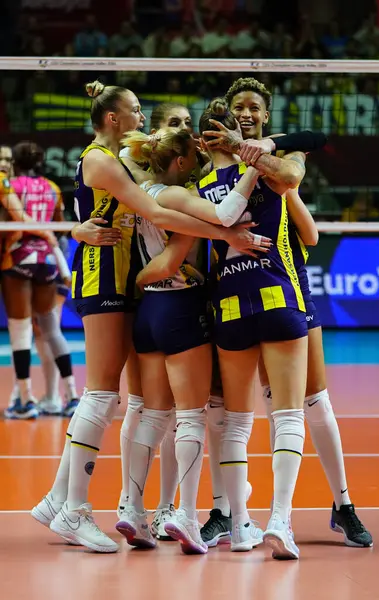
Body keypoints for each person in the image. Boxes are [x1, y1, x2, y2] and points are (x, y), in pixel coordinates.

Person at [31, 81, 266, 554]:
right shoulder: (108, 161)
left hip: (135, 287)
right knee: (111, 397)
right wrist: (227, 235)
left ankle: (71, 500)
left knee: (142, 408)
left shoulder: (128, 163)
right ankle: (82, 509)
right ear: (115, 120)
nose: (142, 119)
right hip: (115, 280)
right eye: (137, 112)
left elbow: (135, 197)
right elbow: (157, 210)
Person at [202, 76, 372, 549]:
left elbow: (302, 206)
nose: (246, 113)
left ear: (266, 115)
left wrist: (256, 150)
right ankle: (224, 510)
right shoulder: (212, 165)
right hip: (233, 296)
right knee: (226, 409)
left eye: (255, 107)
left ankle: (342, 504)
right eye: (239, 106)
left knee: (312, 404)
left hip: (289, 290)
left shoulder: (281, 163)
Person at [116, 125, 271, 554]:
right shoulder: (174, 193)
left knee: (152, 415)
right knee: (190, 417)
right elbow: (224, 217)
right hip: (180, 308)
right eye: (194, 158)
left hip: (149, 311)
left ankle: (131, 507)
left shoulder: (141, 190)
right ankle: (185, 513)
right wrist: (253, 166)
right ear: (181, 162)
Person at [197, 97, 308, 557]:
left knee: (235, 424)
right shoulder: (272, 166)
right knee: (287, 415)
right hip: (276, 293)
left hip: (227, 304)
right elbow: (293, 176)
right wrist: (256, 151)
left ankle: (239, 524)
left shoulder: (197, 184)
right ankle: (280, 518)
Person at [1, 141, 79, 420]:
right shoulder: (52, 187)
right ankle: (71, 396)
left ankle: (24, 401)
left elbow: (13, 216)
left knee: (21, 332)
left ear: (15, 163)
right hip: (47, 261)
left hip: (18, 258)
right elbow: (59, 226)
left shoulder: (9, 186)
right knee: (51, 329)